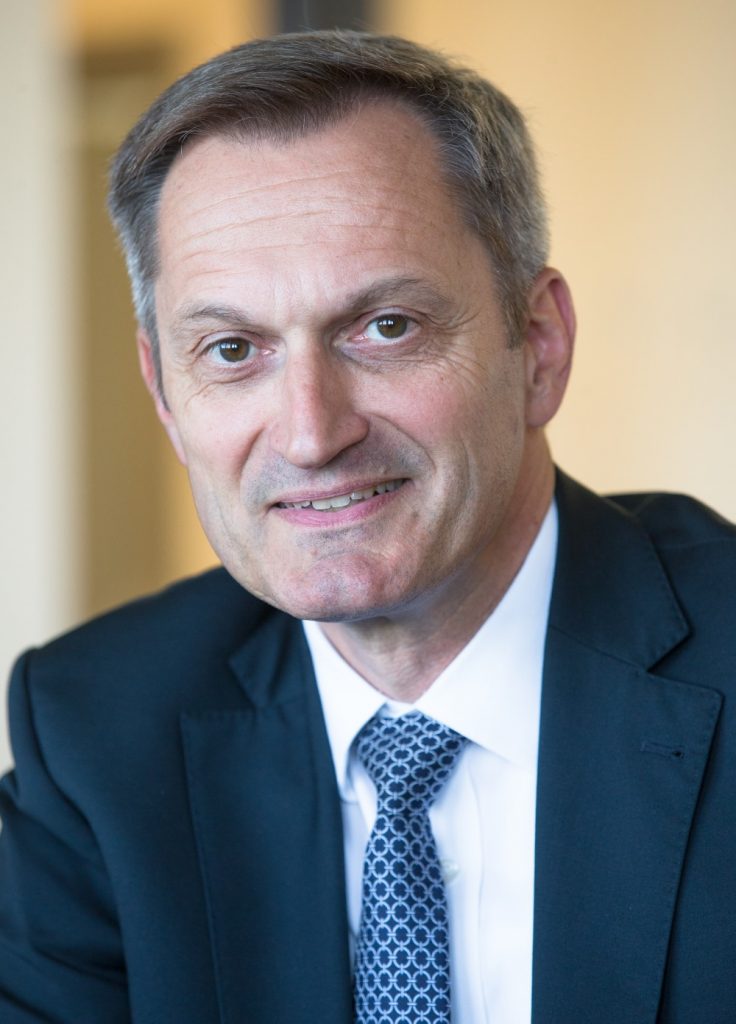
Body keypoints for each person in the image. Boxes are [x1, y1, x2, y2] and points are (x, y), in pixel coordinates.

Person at [0, 30, 734, 1024]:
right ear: (164, 393)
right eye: (231, 349)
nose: (311, 433)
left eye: (385, 327)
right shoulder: (96, 738)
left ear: (539, 346)